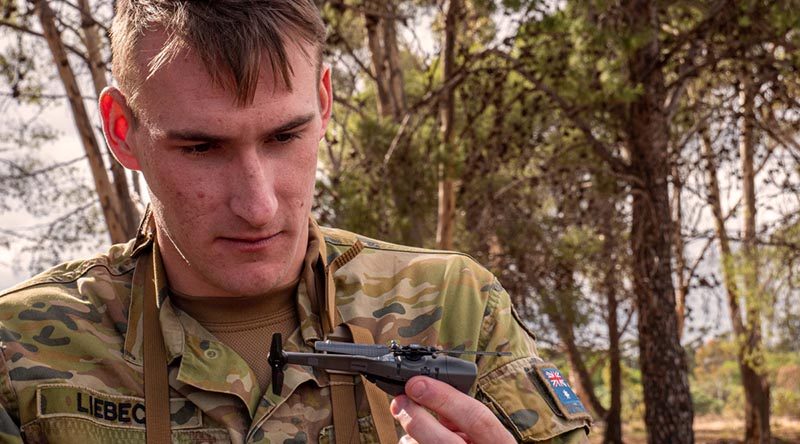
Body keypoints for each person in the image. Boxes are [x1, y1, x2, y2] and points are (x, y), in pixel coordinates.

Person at [0, 1, 592, 443]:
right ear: (123, 132)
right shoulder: (19, 353)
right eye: (201, 148)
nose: (258, 206)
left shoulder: (456, 308)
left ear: (325, 101)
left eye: (285, 135)